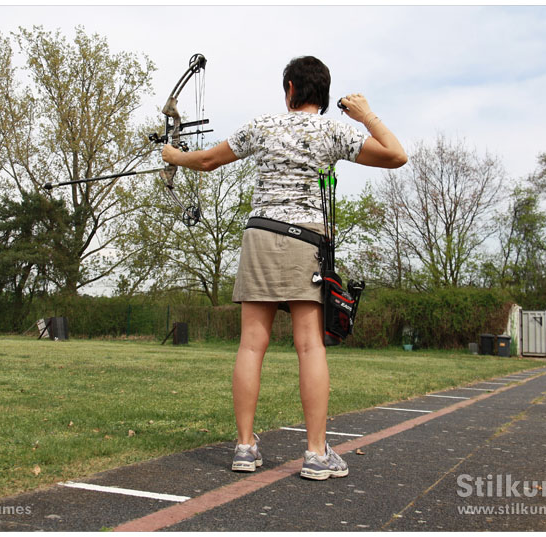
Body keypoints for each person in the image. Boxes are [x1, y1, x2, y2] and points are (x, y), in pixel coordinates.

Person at [162, 56, 406, 480]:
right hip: (304, 240)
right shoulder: (333, 130)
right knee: (310, 345)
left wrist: (171, 155)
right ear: (323, 96)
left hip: (259, 235)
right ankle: (315, 453)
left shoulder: (261, 125)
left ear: (290, 88)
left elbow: (205, 161)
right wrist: (367, 116)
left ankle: (243, 448)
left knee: (250, 345)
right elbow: (396, 155)